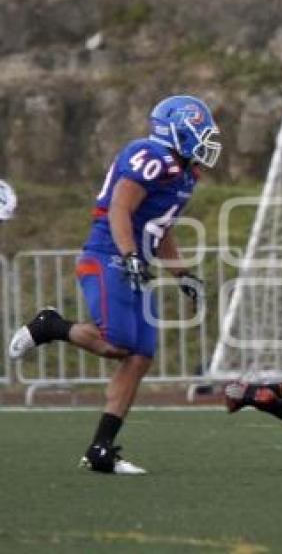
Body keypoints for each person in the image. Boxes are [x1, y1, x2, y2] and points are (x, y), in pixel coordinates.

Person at [8, 95, 221, 475]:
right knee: (119, 343)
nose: (206, 139)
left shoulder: (184, 172)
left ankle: (100, 449)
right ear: (175, 130)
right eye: (198, 131)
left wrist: (182, 274)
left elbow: (161, 230)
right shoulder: (151, 156)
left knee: (140, 355)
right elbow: (119, 209)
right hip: (107, 255)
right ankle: (51, 325)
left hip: (130, 260)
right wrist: (129, 255)